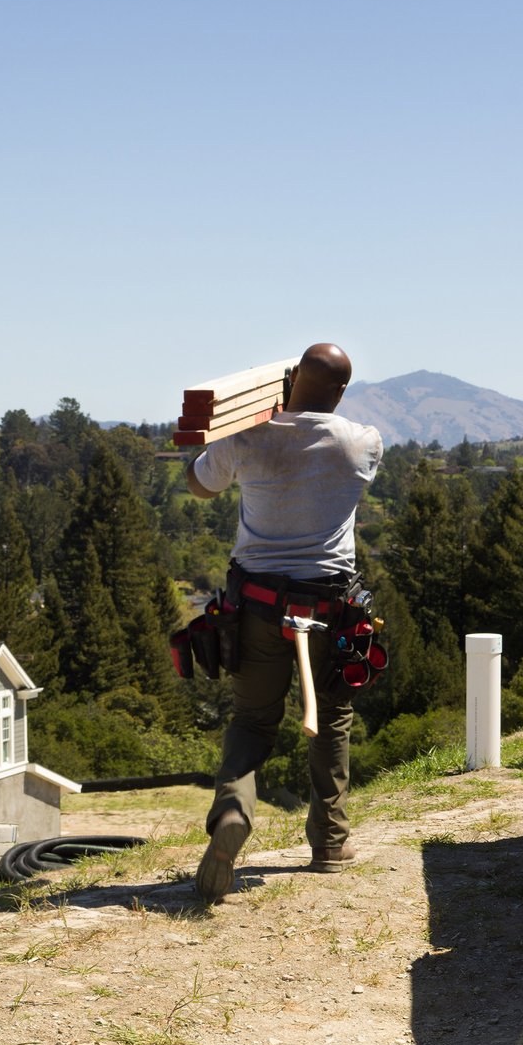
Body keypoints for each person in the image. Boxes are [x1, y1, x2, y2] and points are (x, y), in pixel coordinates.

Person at [184, 343, 383, 901]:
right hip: (328, 607)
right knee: (332, 716)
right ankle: (329, 841)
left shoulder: (247, 438)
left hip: (257, 605)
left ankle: (232, 811)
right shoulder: (362, 442)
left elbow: (199, 485)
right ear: (341, 391)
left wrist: (253, 418)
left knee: (252, 722)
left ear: (291, 377)